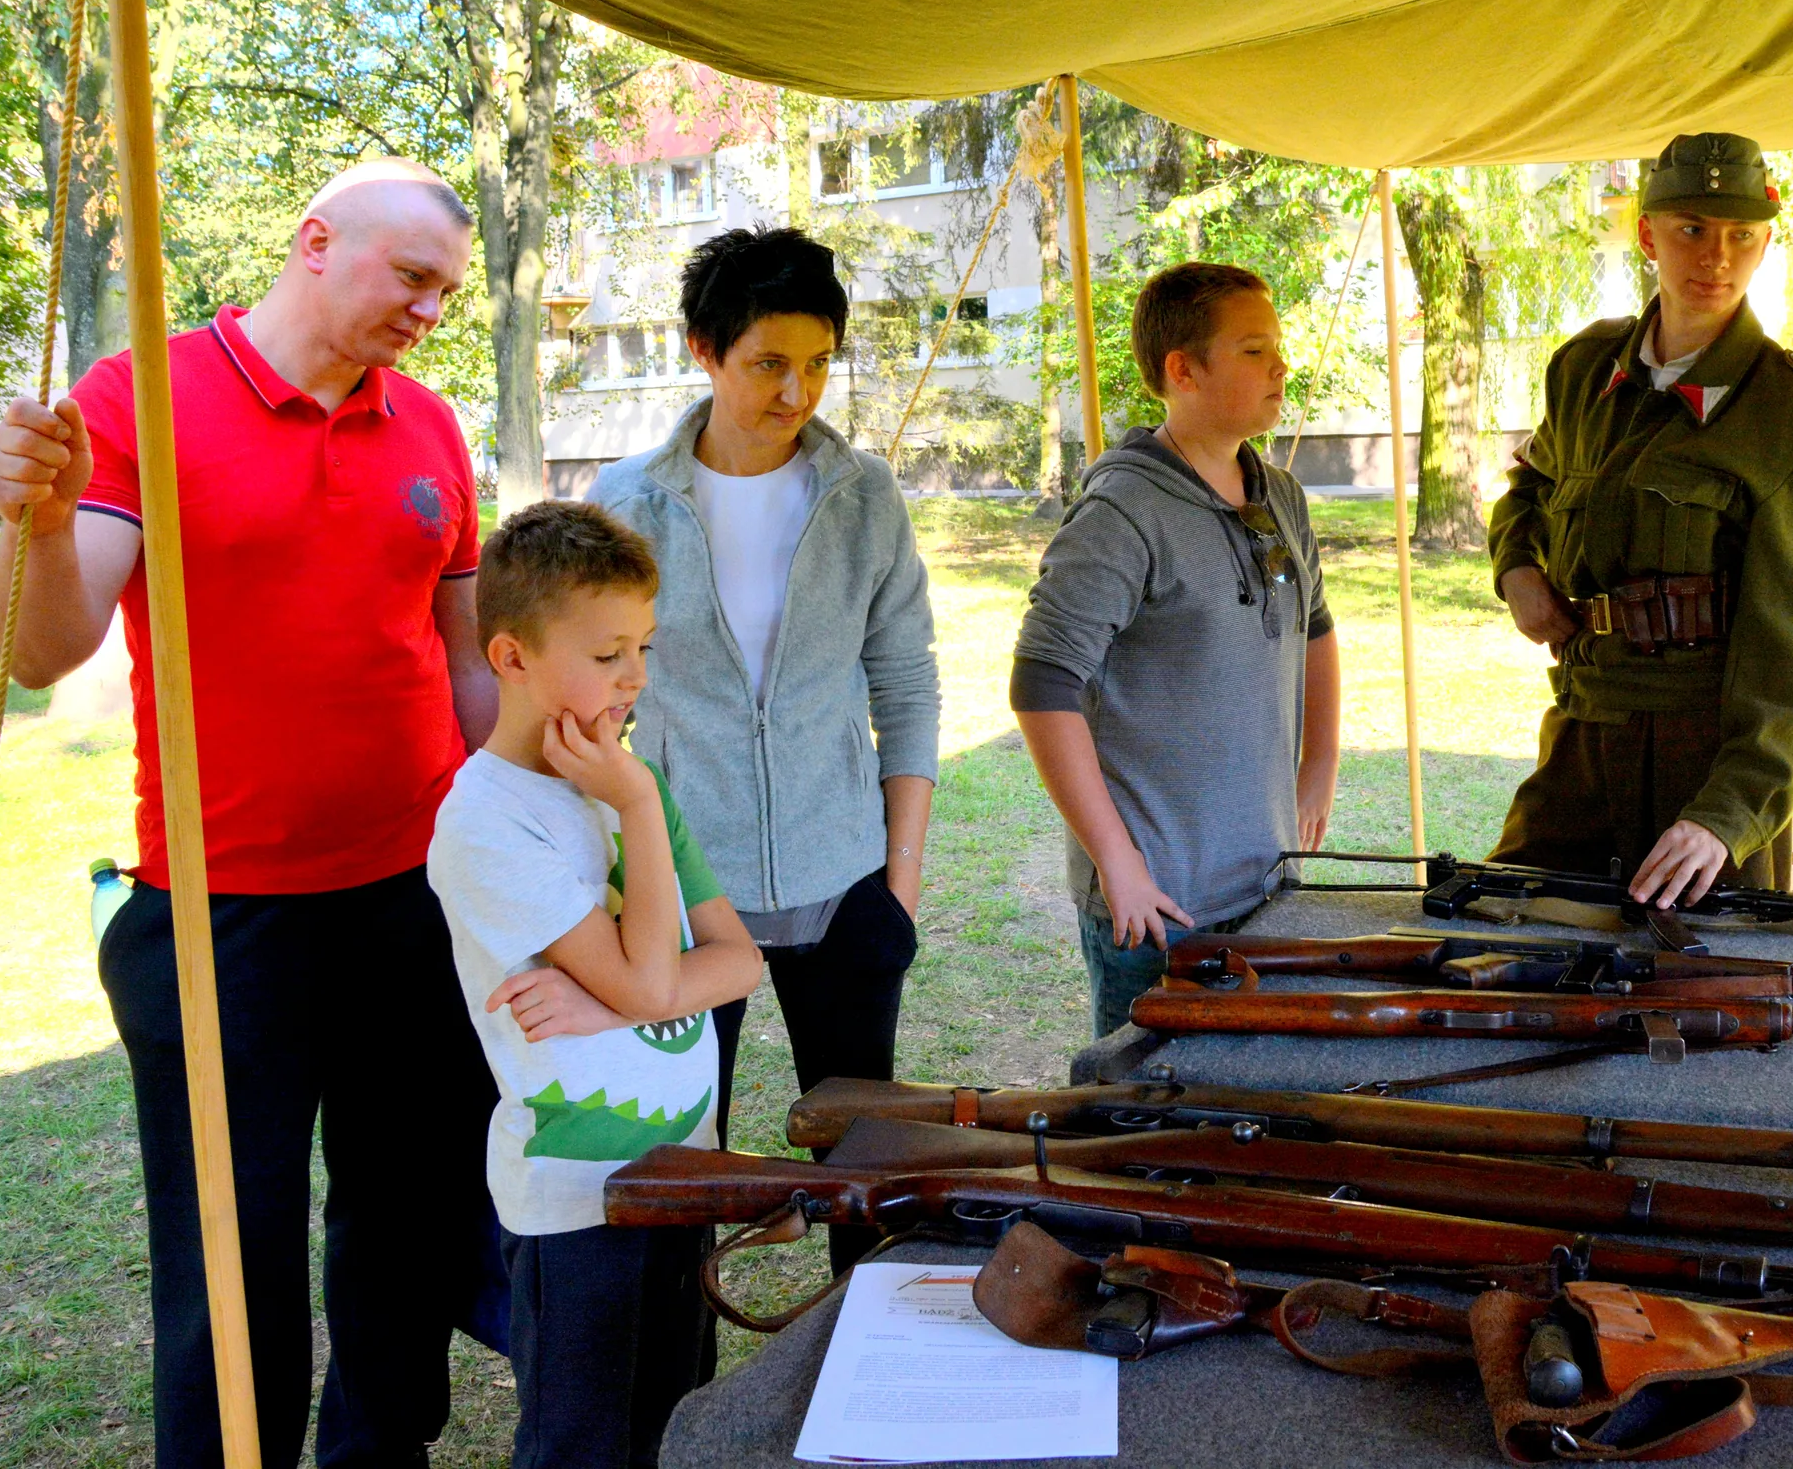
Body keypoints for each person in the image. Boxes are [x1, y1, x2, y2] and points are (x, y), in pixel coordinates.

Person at [0, 158, 505, 1467]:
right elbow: (39, 648)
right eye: (414, 278)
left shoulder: (432, 426)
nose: (430, 308)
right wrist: (30, 521)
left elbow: (467, 662)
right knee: (231, 1255)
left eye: (448, 289)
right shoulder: (138, 397)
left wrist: (556, 821)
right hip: (222, 925)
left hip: (413, 904)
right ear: (315, 241)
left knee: (402, 1230)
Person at [588, 228, 939, 1153]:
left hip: (847, 878)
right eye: (769, 363)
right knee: (681, 1151)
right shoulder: (625, 503)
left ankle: (859, 1299)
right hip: (682, 887)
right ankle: (682, 1309)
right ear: (704, 350)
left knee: (867, 1158)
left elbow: (906, 682)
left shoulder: (864, 495)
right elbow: (585, 699)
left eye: (820, 362)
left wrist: (897, 880)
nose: (798, 392)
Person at [428, 502, 762, 1469]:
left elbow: (740, 960)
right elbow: (660, 979)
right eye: (610, 652)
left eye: (644, 647)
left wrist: (617, 992)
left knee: (672, 1422)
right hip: (579, 1201)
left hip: (680, 1175)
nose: (637, 678)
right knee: (580, 1445)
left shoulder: (625, 783)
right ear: (512, 657)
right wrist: (637, 812)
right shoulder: (489, 820)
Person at [1488, 132, 1793, 908]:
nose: (1716, 257)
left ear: (1764, 244)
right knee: (1506, 923)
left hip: (1703, 771)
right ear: (1648, 234)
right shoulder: (1588, 371)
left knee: (1700, 996)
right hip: (1582, 737)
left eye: (1741, 236)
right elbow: (1529, 488)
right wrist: (1518, 569)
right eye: (1692, 229)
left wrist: (1725, 819)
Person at [1011, 261, 1340, 1037]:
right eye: (1255, 349)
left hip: (1265, 884)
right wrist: (1116, 862)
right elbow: (1042, 685)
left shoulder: (1279, 492)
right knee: (1144, 1122)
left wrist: (1318, 764)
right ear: (1182, 369)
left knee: (1244, 1108)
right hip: (1159, 906)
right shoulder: (1122, 510)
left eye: (1278, 346)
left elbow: (1315, 627)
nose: (1281, 366)